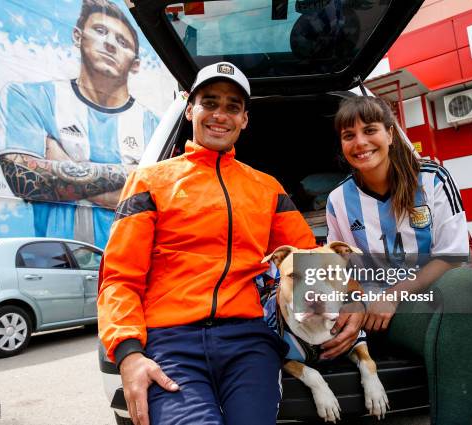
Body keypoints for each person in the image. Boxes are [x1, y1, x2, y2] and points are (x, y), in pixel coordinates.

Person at [98, 62, 318, 425]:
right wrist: (129, 354)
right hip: (169, 343)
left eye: (232, 107)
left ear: (244, 119)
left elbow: (309, 259)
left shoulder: (267, 188)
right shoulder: (149, 181)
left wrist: (348, 309)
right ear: (190, 110)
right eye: (210, 103)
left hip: (248, 342)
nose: (220, 115)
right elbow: (119, 278)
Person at [324, 95, 472, 424]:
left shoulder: (433, 178)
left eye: (370, 130)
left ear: (391, 134)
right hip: (376, 315)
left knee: (468, 284)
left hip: (432, 299)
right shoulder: (338, 199)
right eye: (348, 135)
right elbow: (340, 266)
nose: (361, 142)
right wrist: (356, 303)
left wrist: (395, 295)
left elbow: (452, 256)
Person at [0, 0, 158, 248]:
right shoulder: (31, 97)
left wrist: (63, 167)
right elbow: (22, 178)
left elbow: (158, 199)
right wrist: (131, 173)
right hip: (54, 268)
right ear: (77, 37)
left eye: (123, 42)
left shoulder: (154, 124)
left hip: (131, 267)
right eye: (100, 31)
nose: (110, 43)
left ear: (136, 64)